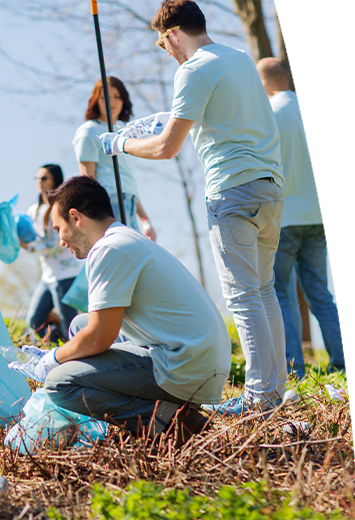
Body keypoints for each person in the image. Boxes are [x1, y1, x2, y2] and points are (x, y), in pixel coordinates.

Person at [99, 0, 285, 415]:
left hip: (231, 191)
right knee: (264, 291)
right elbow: (224, 113)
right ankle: (273, 393)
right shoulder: (239, 59)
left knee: (243, 297)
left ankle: (258, 399)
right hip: (269, 188)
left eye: (162, 44)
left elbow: (166, 148)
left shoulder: (193, 69)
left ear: (173, 34)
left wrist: (121, 144)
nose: (166, 52)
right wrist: (169, 116)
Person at [18, 176, 230, 443]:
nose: (60, 241)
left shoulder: (109, 249)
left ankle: (173, 421)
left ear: (75, 217)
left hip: (187, 366)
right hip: (197, 357)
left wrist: (53, 358)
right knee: (78, 326)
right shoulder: (124, 238)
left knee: (60, 383)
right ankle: (156, 411)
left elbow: (100, 337)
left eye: (59, 228)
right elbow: (95, 329)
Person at [256, 58, 344, 379]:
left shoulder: (270, 115)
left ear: (263, 82)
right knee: (320, 293)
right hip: (316, 217)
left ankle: (295, 372)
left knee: (279, 293)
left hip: (284, 218)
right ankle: (341, 365)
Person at [73, 77, 156, 240]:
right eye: (105, 97)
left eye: (117, 96)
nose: (112, 102)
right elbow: (87, 182)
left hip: (129, 203)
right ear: (96, 100)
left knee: (136, 252)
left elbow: (127, 182)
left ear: (124, 100)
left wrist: (144, 219)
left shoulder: (125, 133)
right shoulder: (89, 131)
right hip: (109, 203)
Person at [21, 164, 83, 342]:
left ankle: (77, 351)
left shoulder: (62, 207)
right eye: (37, 178)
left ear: (54, 180)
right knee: (34, 321)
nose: (39, 182)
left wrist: (33, 248)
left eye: (44, 178)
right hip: (47, 276)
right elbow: (30, 235)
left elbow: (59, 242)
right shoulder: (34, 210)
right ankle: (62, 347)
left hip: (65, 274)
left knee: (69, 324)